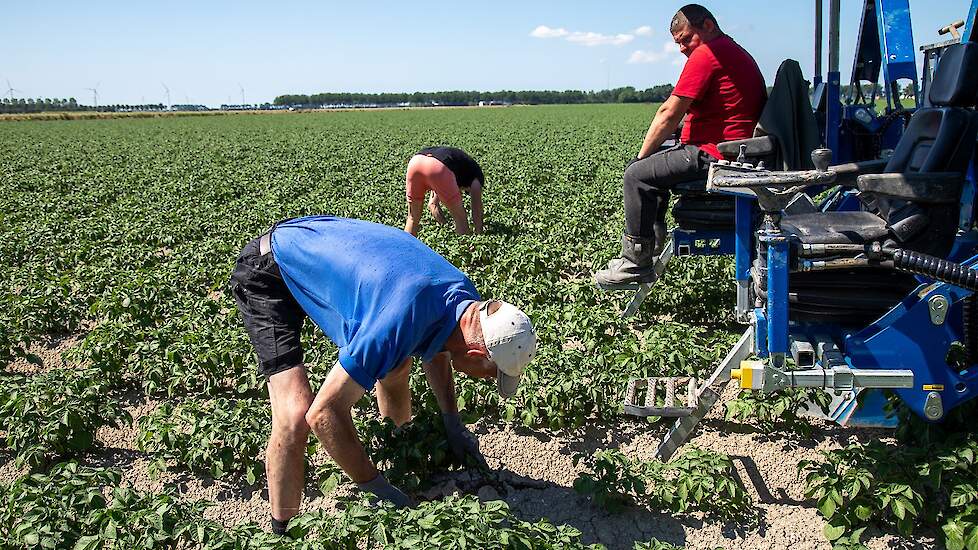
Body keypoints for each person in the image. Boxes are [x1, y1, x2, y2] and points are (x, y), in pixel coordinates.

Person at [229, 215, 536, 535]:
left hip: (321, 243)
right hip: (270, 268)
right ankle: (282, 530)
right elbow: (323, 414)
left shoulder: (471, 306)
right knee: (295, 412)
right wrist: (377, 489)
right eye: (492, 373)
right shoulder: (397, 320)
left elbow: (441, 347)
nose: (488, 380)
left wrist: (451, 422)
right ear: (475, 354)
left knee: (396, 364)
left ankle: (395, 444)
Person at [594, 4, 766, 289]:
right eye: (679, 43)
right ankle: (652, 238)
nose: (683, 48)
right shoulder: (728, 50)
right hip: (727, 147)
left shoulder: (709, 54)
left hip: (718, 153)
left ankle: (636, 262)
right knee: (653, 165)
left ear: (708, 26)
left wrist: (639, 158)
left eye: (687, 39)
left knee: (636, 175)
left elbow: (668, 113)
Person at [404, 146, 485, 236]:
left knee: (412, 218)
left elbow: (432, 204)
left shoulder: (456, 167)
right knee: (461, 219)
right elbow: (477, 209)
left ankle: (403, 249)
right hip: (438, 167)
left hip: (416, 162)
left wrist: (445, 225)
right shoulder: (476, 176)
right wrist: (479, 233)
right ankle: (467, 249)